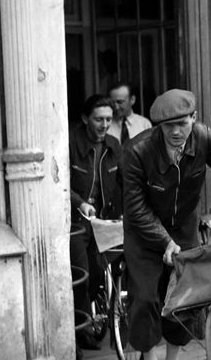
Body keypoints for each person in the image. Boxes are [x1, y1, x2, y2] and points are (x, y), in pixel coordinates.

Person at [120, 89, 211, 360]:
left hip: (183, 228)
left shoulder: (204, 138)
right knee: (145, 299)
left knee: (184, 299)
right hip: (143, 233)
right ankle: (148, 357)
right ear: (159, 126)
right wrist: (164, 240)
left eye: (182, 124)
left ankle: (173, 357)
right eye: (168, 126)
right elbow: (135, 208)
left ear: (194, 118)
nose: (175, 131)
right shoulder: (136, 150)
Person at [69, 95, 123, 352]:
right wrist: (80, 202)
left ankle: (87, 323)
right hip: (76, 223)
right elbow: (59, 183)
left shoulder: (113, 145)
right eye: (98, 119)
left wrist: (122, 211)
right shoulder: (69, 142)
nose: (104, 125)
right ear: (84, 119)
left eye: (109, 120)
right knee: (80, 274)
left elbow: (124, 182)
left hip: (102, 221)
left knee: (96, 276)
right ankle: (79, 333)